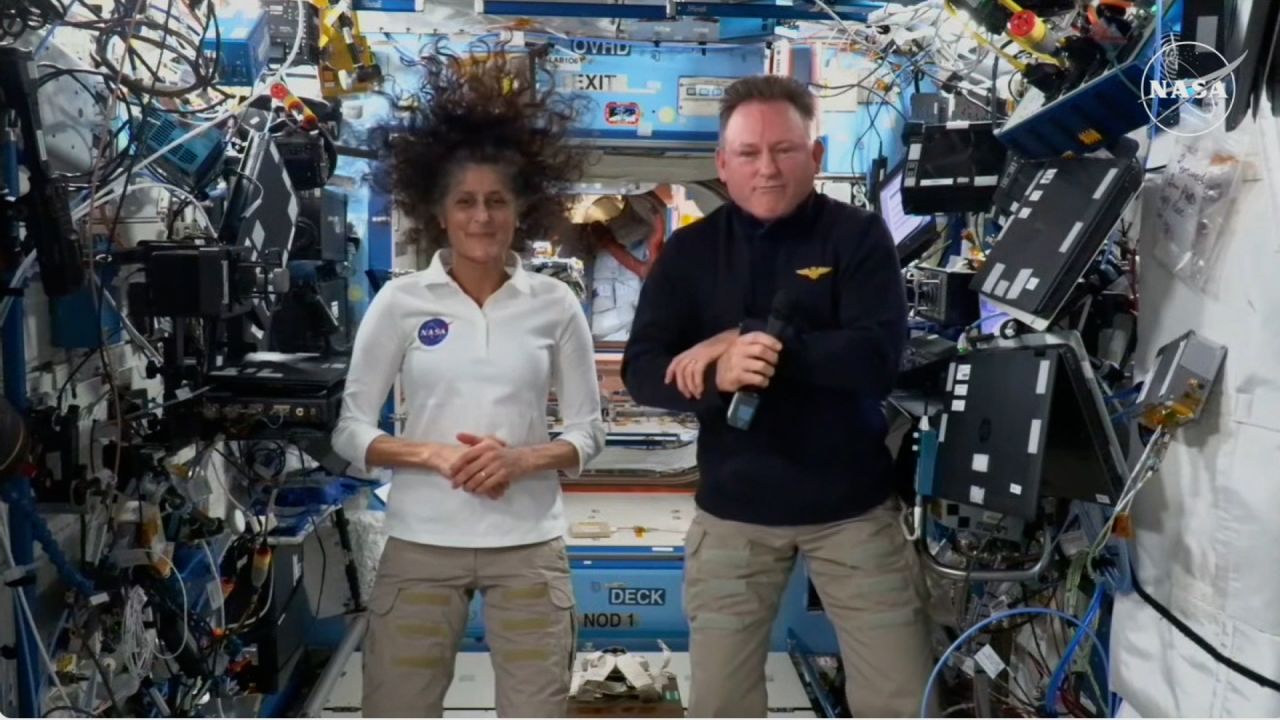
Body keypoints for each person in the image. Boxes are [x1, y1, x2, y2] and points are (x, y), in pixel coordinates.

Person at [621, 74, 932, 717]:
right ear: (723, 164)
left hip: (853, 511)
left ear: (815, 158)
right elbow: (642, 369)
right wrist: (716, 374)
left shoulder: (857, 237)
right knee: (721, 704)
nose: (767, 169)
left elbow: (877, 360)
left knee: (900, 698)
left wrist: (752, 342)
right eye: (749, 154)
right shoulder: (690, 253)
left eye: (785, 150)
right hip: (734, 514)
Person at [331, 49, 606, 718]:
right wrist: (432, 454)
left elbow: (586, 433)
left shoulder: (554, 303)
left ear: (520, 211)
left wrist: (523, 458)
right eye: (465, 202)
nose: (481, 217)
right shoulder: (400, 303)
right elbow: (350, 433)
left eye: (496, 202)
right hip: (422, 544)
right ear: (440, 212)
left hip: (529, 548)